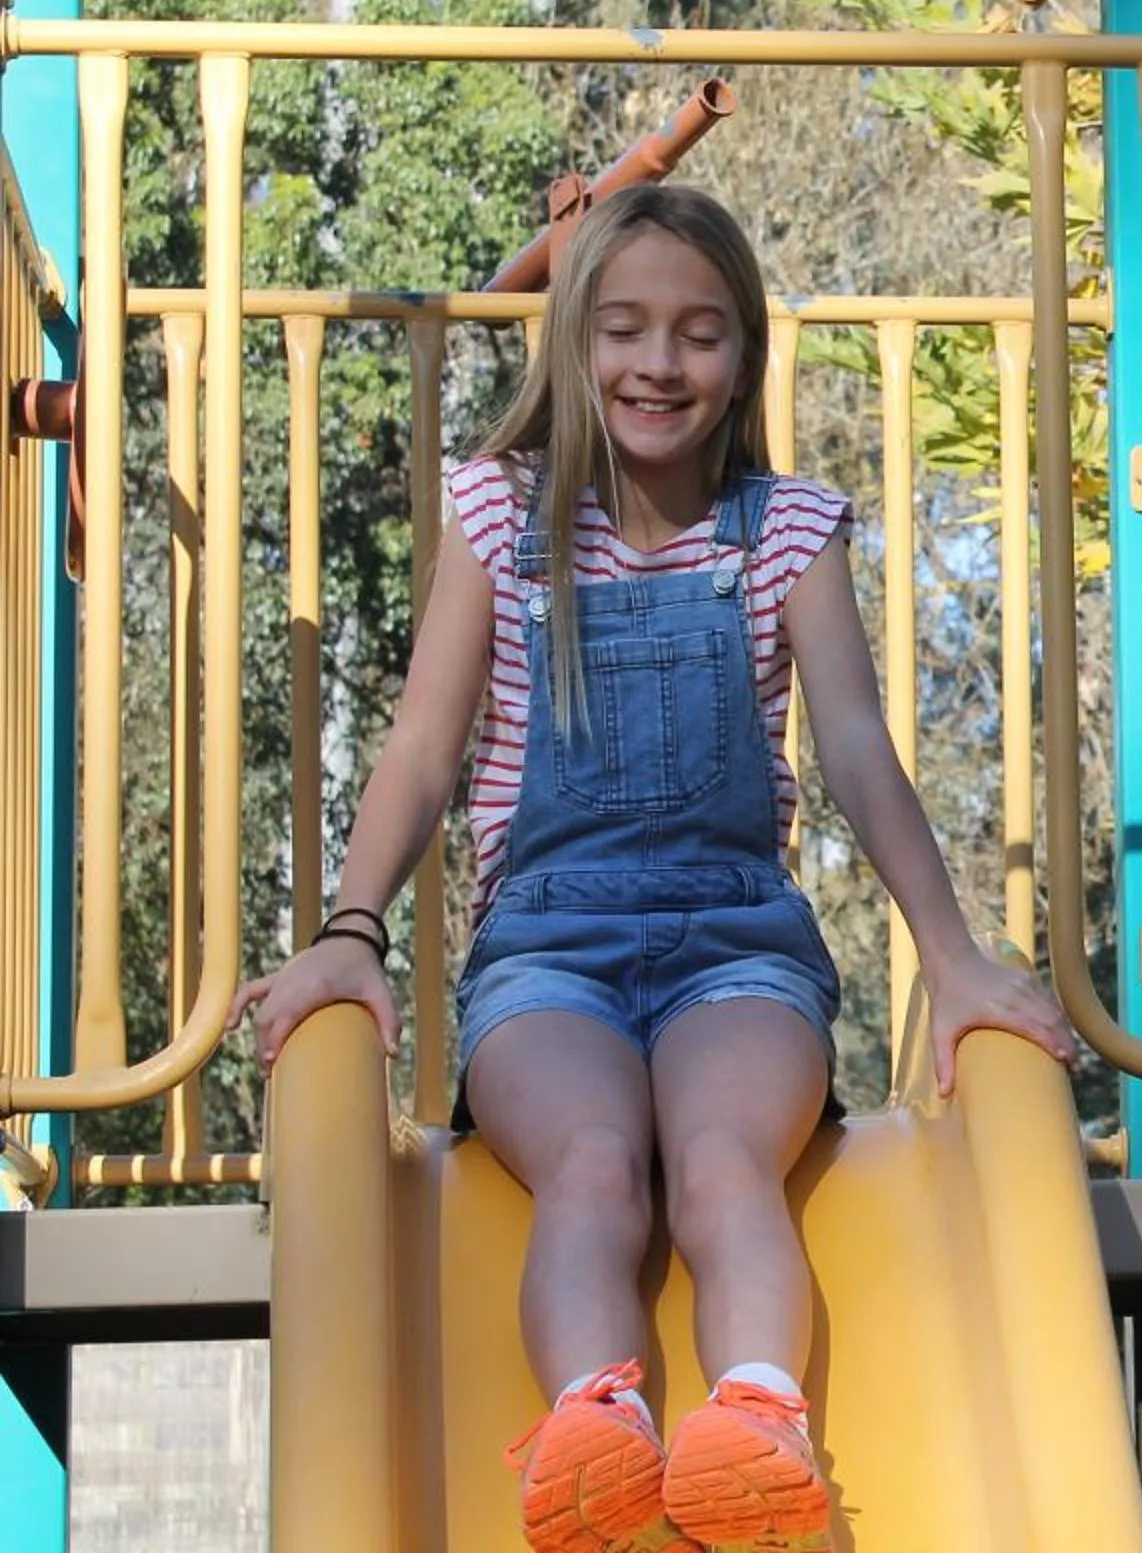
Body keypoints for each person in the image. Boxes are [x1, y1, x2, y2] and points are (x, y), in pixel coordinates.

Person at [232, 183, 1077, 1552]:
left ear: (743, 355)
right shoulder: (502, 519)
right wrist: (348, 931)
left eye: (699, 332)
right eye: (623, 329)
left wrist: (955, 953)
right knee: (593, 1165)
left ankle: (754, 1423)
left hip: (737, 943)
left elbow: (859, 750)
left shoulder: (786, 532)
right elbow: (425, 747)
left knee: (725, 1158)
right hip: (544, 949)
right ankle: (595, 1427)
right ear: (574, 344)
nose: (659, 364)